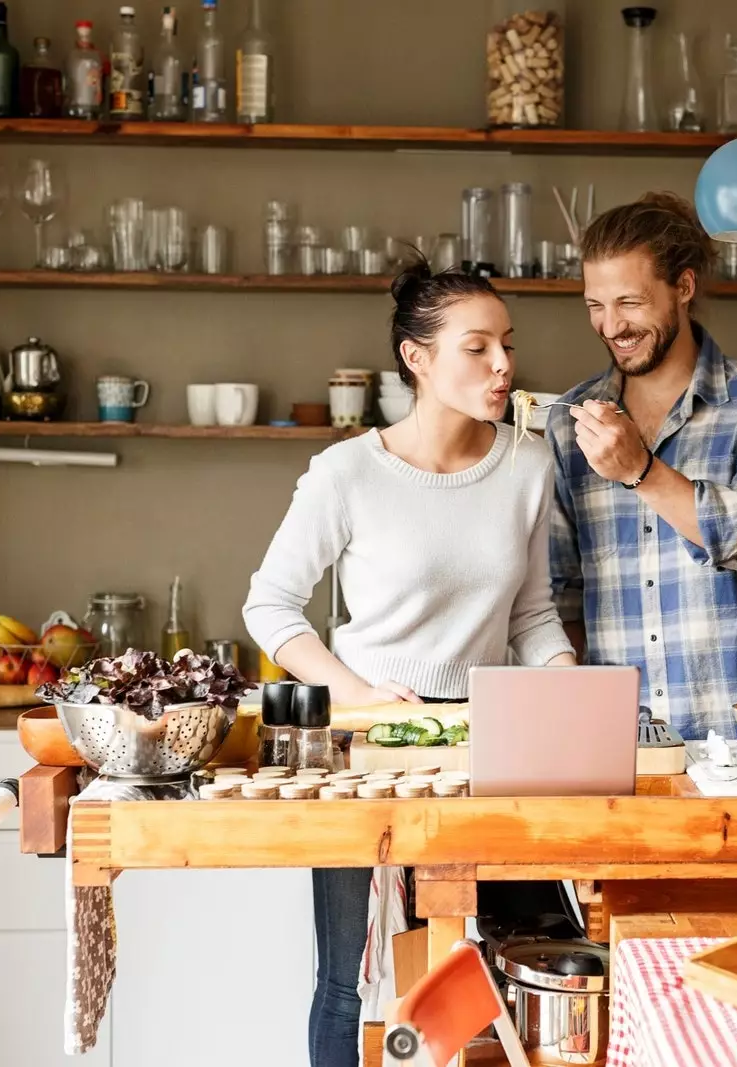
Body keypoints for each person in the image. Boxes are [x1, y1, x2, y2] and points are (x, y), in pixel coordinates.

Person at [242, 261, 574, 1067]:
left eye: (506, 345)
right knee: (347, 977)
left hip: (482, 742)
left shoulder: (528, 465)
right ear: (417, 358)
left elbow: (530, 615)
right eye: (477, 347)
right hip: (363, 745)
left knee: (506, 952)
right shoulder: (347, 472)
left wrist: (571, 689)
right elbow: (270, 604)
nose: (503, 365)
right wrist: (352, 690)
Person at [547, 192, 737, 739]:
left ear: (683, 288)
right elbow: (564, 590)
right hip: (620, 734)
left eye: (630, 303)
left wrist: (641, 471)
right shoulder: (570, 422)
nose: (611, 326)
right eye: (595, 305)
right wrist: (571, 715)